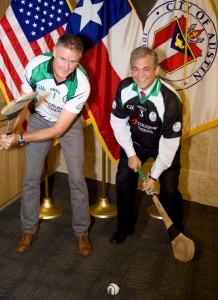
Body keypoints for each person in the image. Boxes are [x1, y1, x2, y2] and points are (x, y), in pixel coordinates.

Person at [0, 34, 93, 256]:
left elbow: (59, 130)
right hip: (40, 117)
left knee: (77, 178)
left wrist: (20, 140)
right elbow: (24, 104)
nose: (66, 66)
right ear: (54, 51)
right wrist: (12, 132)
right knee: (31, 177)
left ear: (79, 60)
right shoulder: (35, 67)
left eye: (73, 61)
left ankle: (81, 232)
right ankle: (28, 230)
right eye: (62, 59)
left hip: (67, 124)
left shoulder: (81, 83)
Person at [110, 46, 184, 244]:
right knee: (124, 178)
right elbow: (117, 122)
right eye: (135, 69)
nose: (140, 75)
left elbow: (169, 145)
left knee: (168, 189)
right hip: (135, 143)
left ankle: (176, 230)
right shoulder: (124, 87)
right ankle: (124, 227)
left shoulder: (169, 100)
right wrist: (131, 153)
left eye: (146, 69)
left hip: (163, 146)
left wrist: (153, 176)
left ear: (156, 70)